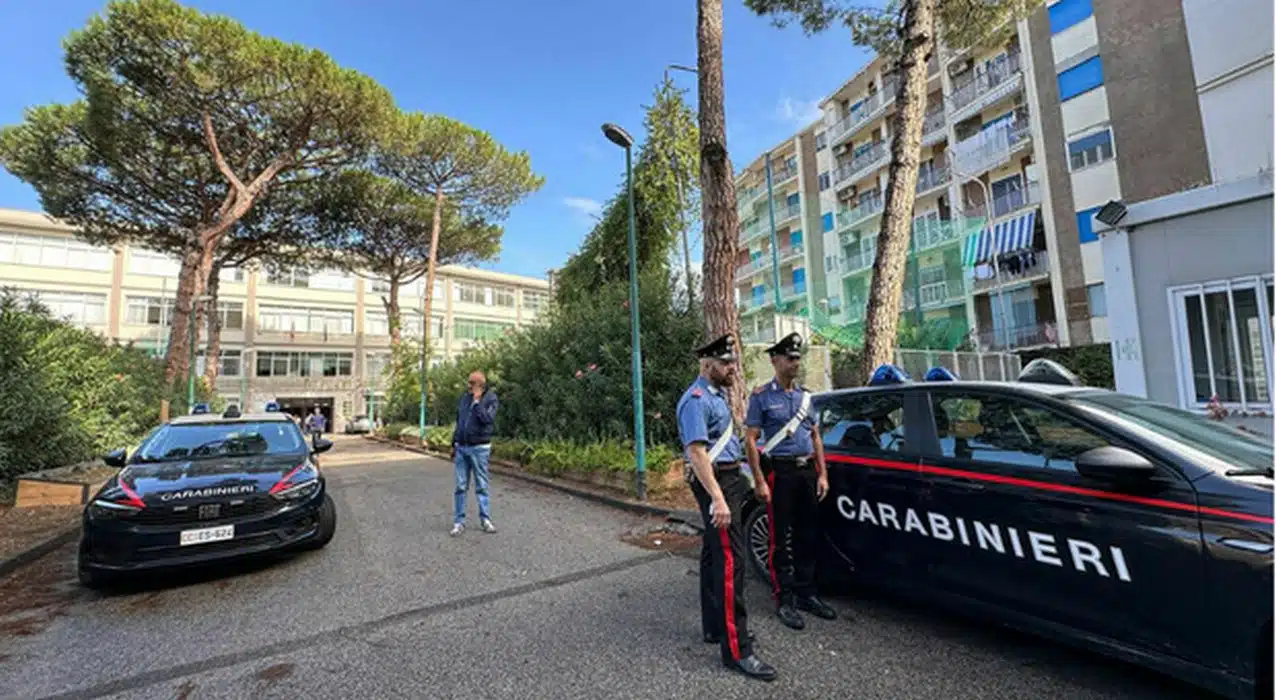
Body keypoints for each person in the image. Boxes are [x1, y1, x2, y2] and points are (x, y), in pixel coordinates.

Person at [676, 333, 777, 682]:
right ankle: (737, 650)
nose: (733, 367)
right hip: (718, 484)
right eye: (725, 363)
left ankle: (716, 627)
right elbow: (697, 452)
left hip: (729, 479)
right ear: (708, 365)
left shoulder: (717, 395)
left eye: (733, 361)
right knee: (731, 561)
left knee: (713, 555)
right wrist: (718, 497)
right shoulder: (697, 399)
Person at [745, 332, 837, 631]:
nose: (795, 363)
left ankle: (807, 593)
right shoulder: (761, 397)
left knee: (808, 534)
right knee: (780, 539)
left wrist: (822, 473)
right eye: (789, 358)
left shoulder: (806, 397)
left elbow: (814, 437)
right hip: (780, 473)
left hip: (806, 472)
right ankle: (784, 598)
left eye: (798, 358)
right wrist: (759, 479)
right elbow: (751, 439)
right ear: (775, 360)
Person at [450, 371, 499, 536]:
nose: (468, 386)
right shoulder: (464, 398)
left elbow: (487, 420)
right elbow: (459, 422)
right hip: (462, 447)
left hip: (479, 448)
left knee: (481, 485)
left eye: (472, 383)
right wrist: (453, 444)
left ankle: (485, 519)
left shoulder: (491, 399)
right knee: (460, 486)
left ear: (480, 385)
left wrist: (477, 402)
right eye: (468, 382)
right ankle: (459, 522)